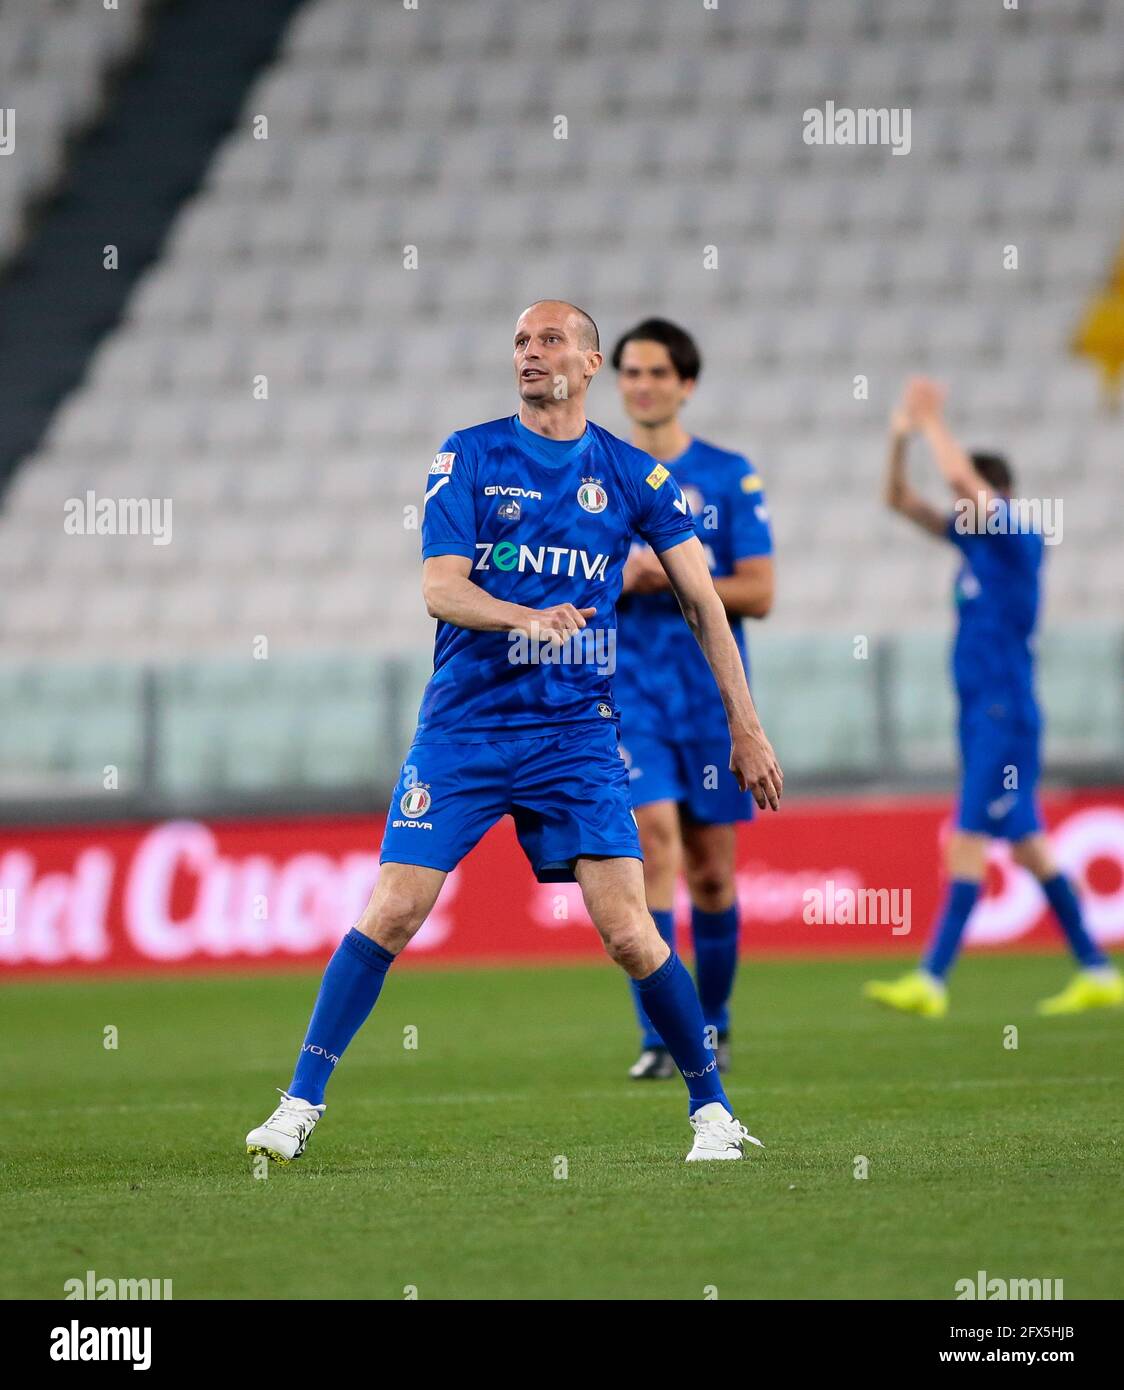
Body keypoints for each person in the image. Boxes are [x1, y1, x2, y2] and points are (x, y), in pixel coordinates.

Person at [245, 300, 784, 1165]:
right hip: (464, 731)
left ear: (591, 362)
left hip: (573, 736)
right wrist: (522, 617)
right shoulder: (469, 453)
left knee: (630, 932)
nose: (531, 354)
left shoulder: (634, 476)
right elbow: (439, 588)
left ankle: (713, 1113)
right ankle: (297, 1104)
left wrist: (746, 728)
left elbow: (706, 602)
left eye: (550, 340)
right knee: (394, 909)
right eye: (521, 343)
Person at [864, 376, 1121, 1018]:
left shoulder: (1015, 539)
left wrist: (929, 421)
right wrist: (900, 435)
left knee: (967, 838)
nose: (960, 505)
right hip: (983, 714)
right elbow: (898, 499)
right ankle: (1096, 969)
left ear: (997, 495)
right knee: (1030, 846)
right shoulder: (972, 541)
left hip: (1004, 715)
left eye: (973, 494)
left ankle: (932, 979)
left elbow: (957, 481)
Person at [610, 319, 775, 1078]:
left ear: (686, 384)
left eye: (656, 373)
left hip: (711, 699)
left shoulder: (728, 473)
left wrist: (674, 576)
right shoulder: (598, 475)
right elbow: (565, 581)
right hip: (630, 696)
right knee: (653, 846)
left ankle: (716, 1024)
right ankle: (660, 1037)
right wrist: (622, 578)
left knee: (712, 871)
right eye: (630, 372)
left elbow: (761, 592)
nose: (641, 385)